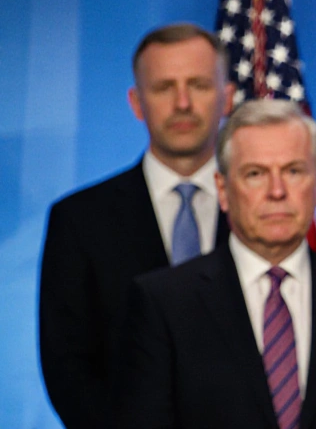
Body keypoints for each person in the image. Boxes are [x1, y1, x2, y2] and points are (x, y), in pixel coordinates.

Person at [116, 100, 316, 428]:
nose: (276, 191)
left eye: (293, 171)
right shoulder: (164, 303)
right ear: (222, 189)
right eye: (255, 173)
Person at [39, 23, 234, 428]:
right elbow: (67, 365)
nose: (182, 103)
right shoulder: (79, 220)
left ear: (227, 96)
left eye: (197, 84)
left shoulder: (270, 209)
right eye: (164, 87)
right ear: (136, 102)